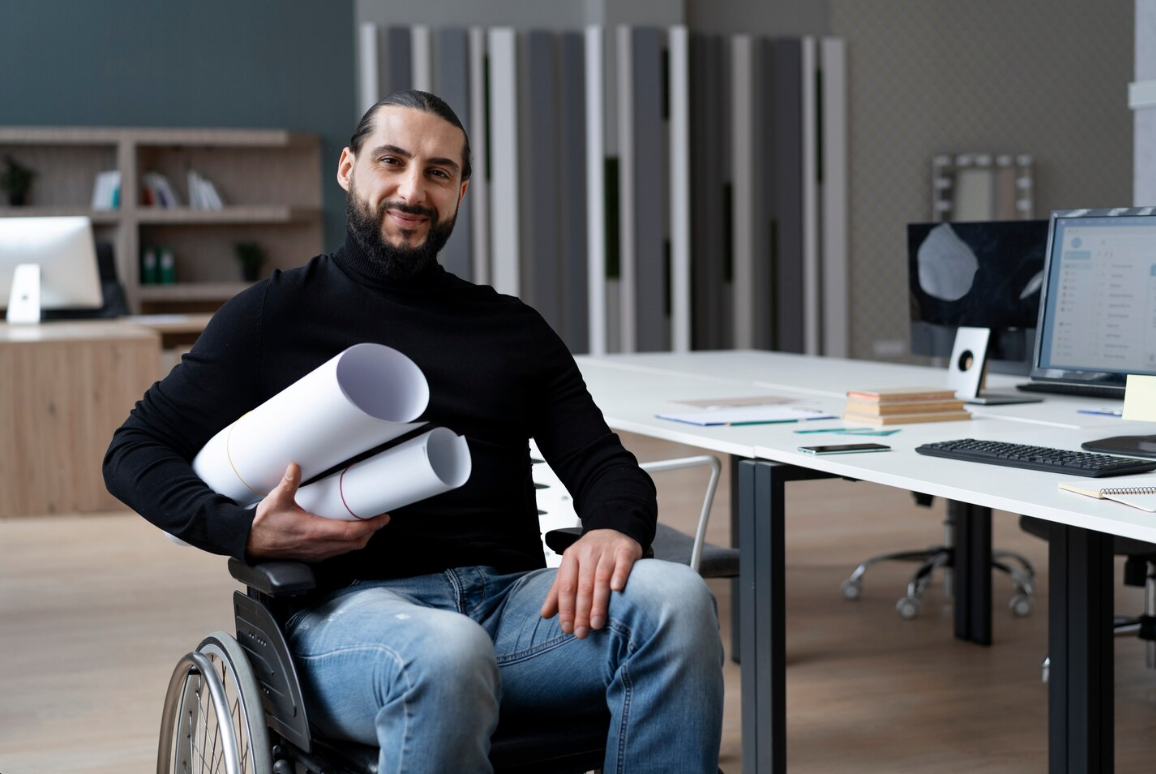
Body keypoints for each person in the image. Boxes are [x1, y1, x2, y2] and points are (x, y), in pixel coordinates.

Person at [104, 90, 724, 774]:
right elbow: (132, 450)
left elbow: (604, 463)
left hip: (509, 608)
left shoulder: (511, 329)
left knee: (676, 600)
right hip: (344, 621)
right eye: (391, 162)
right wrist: (243, 531)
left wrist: (614, 527)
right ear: (348, 168)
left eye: (437, 172)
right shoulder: (272, 315)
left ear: (461, 191)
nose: (412, 190)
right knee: (445, 650)